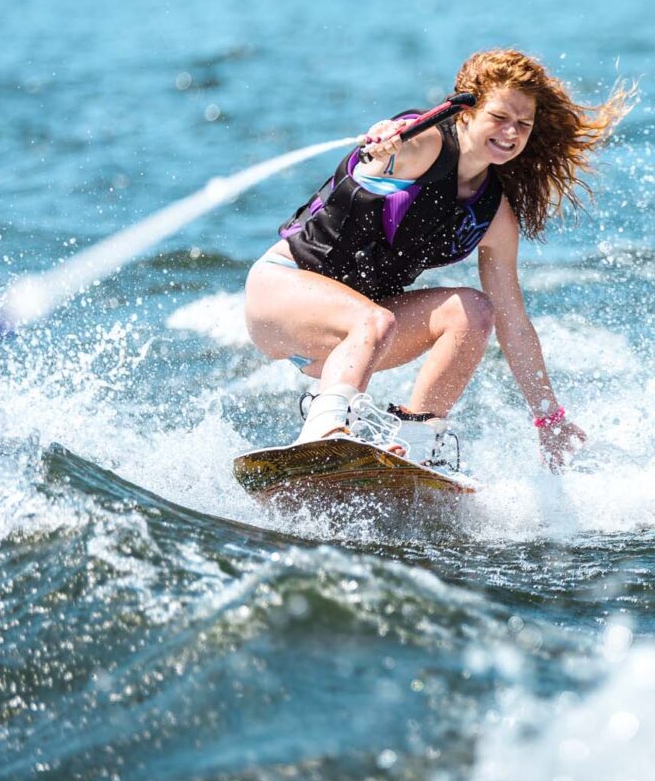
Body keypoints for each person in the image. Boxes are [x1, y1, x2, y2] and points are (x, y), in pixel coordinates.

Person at [244, 48, 631, 470]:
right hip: (282, 293)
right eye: (499, 117)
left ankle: (414, 444)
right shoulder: (420, 144)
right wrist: (386, 139)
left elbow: (515, 324)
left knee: (474, 311)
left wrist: (548, 417)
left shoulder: (494, 216)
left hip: (351, 342)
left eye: (523, 124)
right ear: (465, 111)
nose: (511, 132)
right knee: (373, 321)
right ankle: (324, 433)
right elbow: (394, 142)